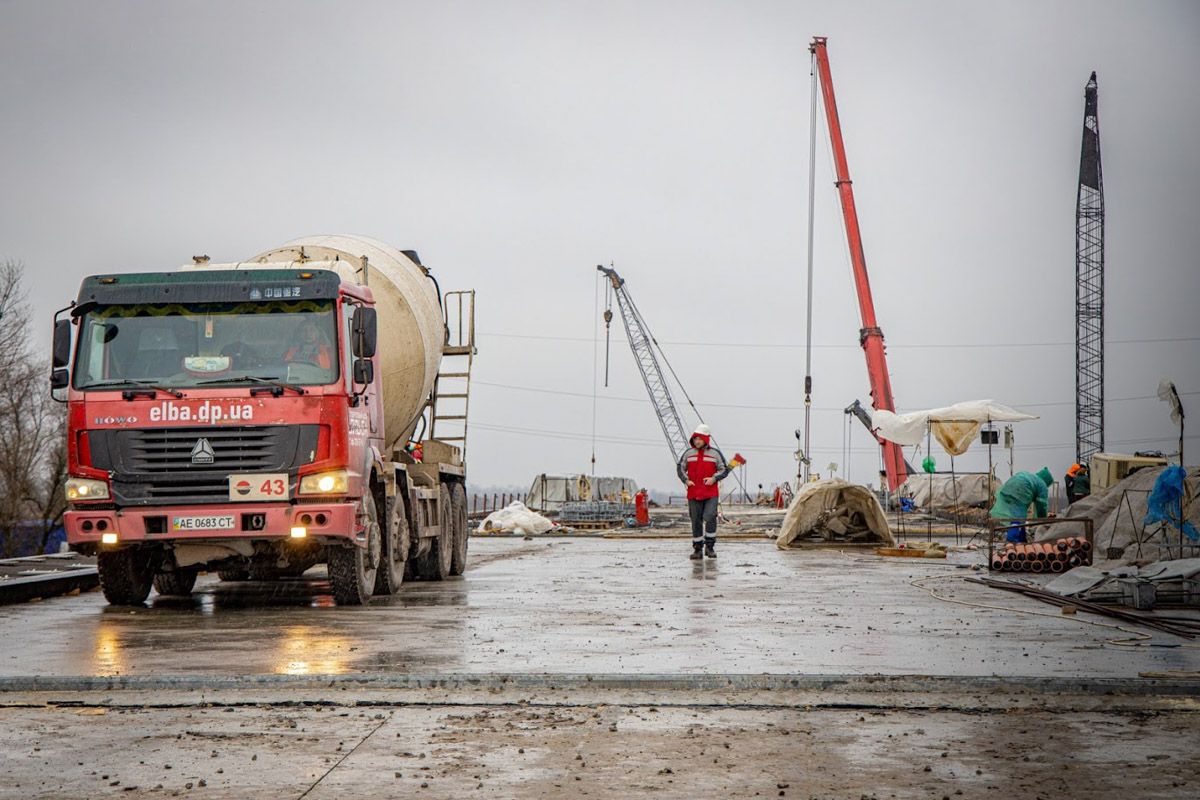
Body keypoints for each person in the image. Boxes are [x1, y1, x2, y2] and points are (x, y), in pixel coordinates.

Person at [676, 424, 731, 559]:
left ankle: (710, 548)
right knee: (696, 520)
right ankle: (698, 550)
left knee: (710, 516)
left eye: (699, 439)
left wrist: (714, 478)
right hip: (694, 492)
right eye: (695, 439)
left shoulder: (715, 454)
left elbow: (724, 469)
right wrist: (686, 480)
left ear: (706, 439)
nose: (697, 441)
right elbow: (680, 468)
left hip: (710, 493)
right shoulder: (688, 453)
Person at [989, 467, 1054, 543]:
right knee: (1018, 517)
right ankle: (1012, 539)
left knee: (1019, 517)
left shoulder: (1032, 477)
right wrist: (1043, 520)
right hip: (1020, 491)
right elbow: (1042, 505)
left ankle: (1022, 539)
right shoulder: (1042, 484)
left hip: (1009, 487)